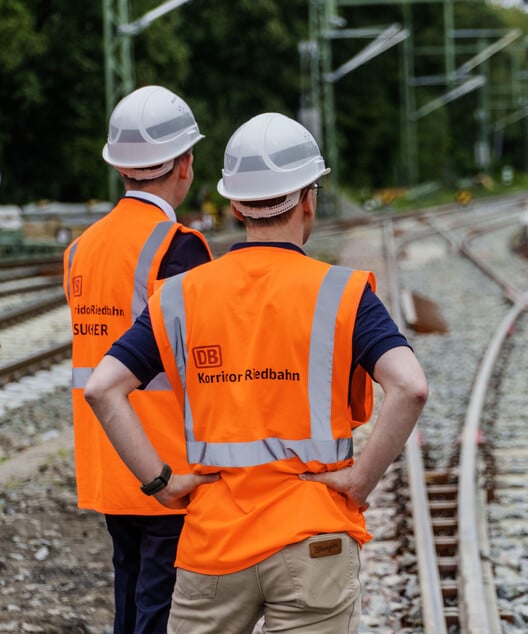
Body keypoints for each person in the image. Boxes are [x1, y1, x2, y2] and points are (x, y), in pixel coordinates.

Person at [84, 112, 429, 633]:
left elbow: (103, 387)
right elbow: (410, 386)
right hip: (314, 539)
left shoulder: (180, 295)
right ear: (307, 199)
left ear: (235, 204)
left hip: (212, 545)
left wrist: (160, 483)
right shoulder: (344, 293)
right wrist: (359, 482)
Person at [63, 85, 212, 633]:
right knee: (159, 605)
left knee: (129, 591)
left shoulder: (82, 247)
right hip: (162, 460)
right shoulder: (178, 246)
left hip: (107, 454)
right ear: (183, 164)